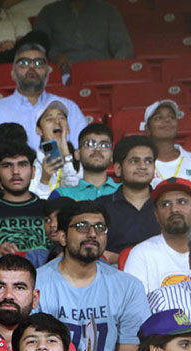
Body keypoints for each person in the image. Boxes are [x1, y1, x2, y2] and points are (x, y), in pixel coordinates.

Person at [36, 201, 149, 351]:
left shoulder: (129, 287)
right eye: (82, 226)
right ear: (62, 237)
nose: (93, 234)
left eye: (100, 228)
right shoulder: (35, 283)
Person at [0, 43, 87, 159]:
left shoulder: (69, 107)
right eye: (24, 63)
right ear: (13, 74)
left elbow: (82, 152)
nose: (32, 67)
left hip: (61, 174)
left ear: (48, 73)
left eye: (39, 63)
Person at [97, 135, 160, 265]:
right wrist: (124, 259)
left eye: (148, 161)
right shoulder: (101, 206)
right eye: (134, 161)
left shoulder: (165, 205)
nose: (142, 166)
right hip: (115, 273)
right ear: (118, 169)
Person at [124, 178, 191, 293]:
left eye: (182, 202)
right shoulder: (141, 254)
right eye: (165, 204)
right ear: (156, 215)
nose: (174, 209)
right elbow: (134, 308)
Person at [0, 141, 48, 253]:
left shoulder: (49, 209)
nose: (15, 172)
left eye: (22, 165)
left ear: (33, 172)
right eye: (7, 166)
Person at [33, 0, 132, 72]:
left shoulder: (108, 10)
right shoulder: (49, 11)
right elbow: (38, 43)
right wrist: (56, 56)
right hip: (65, 69)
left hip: (103, 66)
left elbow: (124, 46)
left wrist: (116, 65)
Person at [51, 123, 119, 201]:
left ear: (112, 155)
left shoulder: (126, 192)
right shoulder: (62, 195)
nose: (97, 149)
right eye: (90, 144)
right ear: (77, 154)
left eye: (104, 145)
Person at [31, 99, 80, 199]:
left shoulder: (78, 158)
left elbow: (75, 193)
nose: (57, 122)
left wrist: (66, 154)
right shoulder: (31, 161)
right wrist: (44, 180)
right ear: (39, 130)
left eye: (61, 118)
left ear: (68, 128)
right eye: (49, 119)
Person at [142, 100, 191, 184]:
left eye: (171, 117)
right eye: (158, 117)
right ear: (147, 129)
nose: (167, 120)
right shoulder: (141, 163)